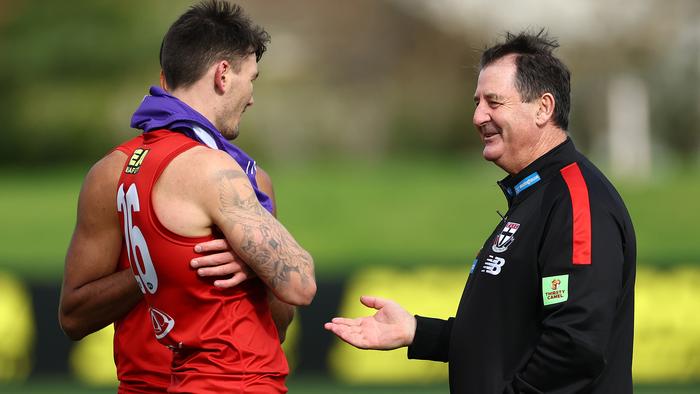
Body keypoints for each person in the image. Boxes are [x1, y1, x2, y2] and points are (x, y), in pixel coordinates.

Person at [325, 30, 636, 394]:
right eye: (477, 102)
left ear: (543, 108)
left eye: (493, 101)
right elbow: (507, 335)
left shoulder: (575, 199)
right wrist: (416, 332)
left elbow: (576, 345)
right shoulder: (532, 195)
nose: (477, 116)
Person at [58, 1, 312, 393]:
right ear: (222, 75)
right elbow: (73, 316)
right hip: (173, 383)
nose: (252, 98)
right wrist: (165, 261)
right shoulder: (115, 174)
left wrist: (253, 262)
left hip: (205, 377)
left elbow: (277, 323)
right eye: (253, 80)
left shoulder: (251, 178)